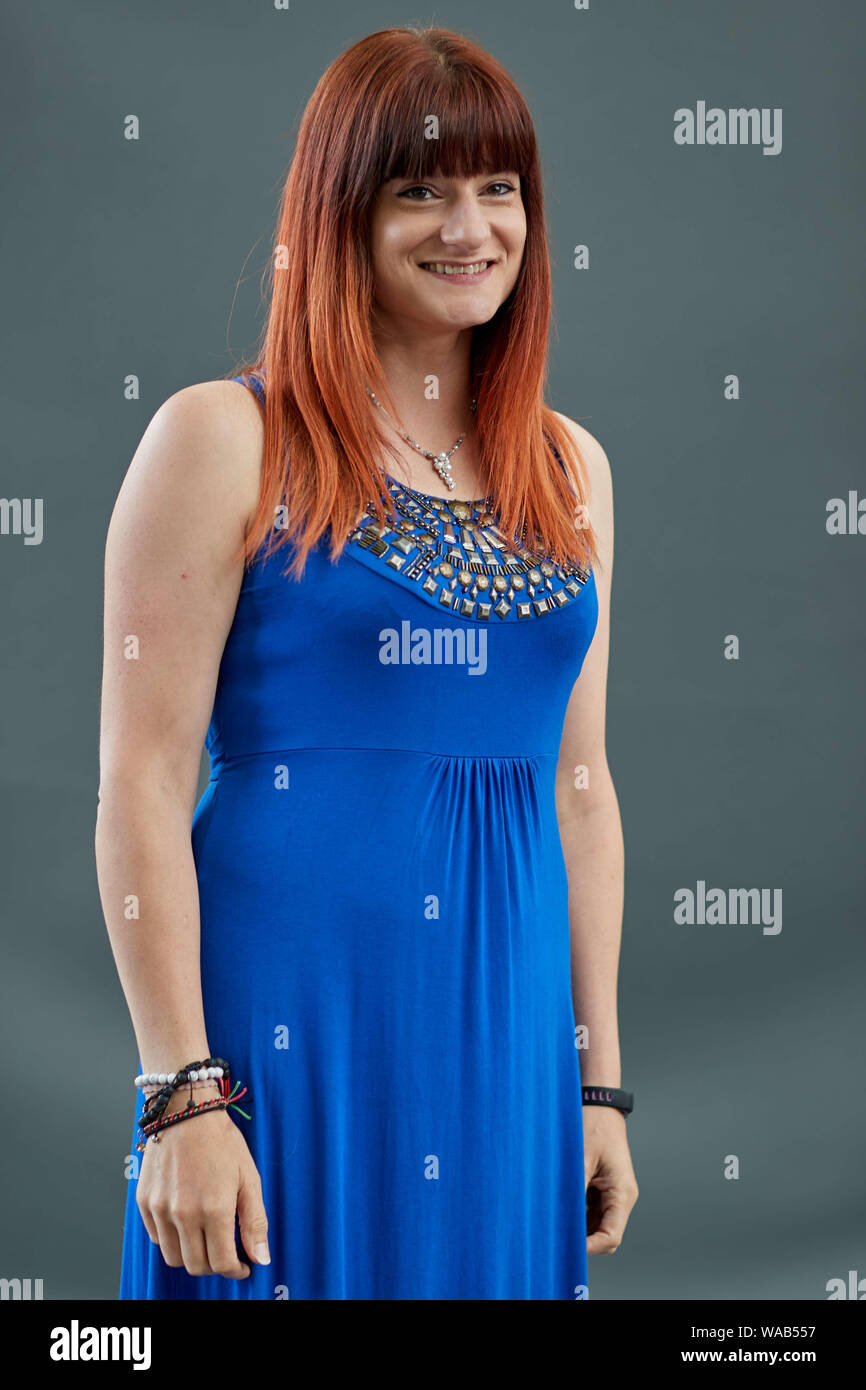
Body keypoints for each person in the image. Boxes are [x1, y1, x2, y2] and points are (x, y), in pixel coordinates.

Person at [96, 24, 637, 1301]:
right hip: (287, 1034)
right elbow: (138, 781)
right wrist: (180, 1093)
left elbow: (581, 793)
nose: (470, 226)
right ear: (341, 214)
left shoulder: (572, 467)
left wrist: (596, 1080)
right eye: (422, 190)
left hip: (504, 1047)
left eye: (497, 188)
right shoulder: (222, 437)